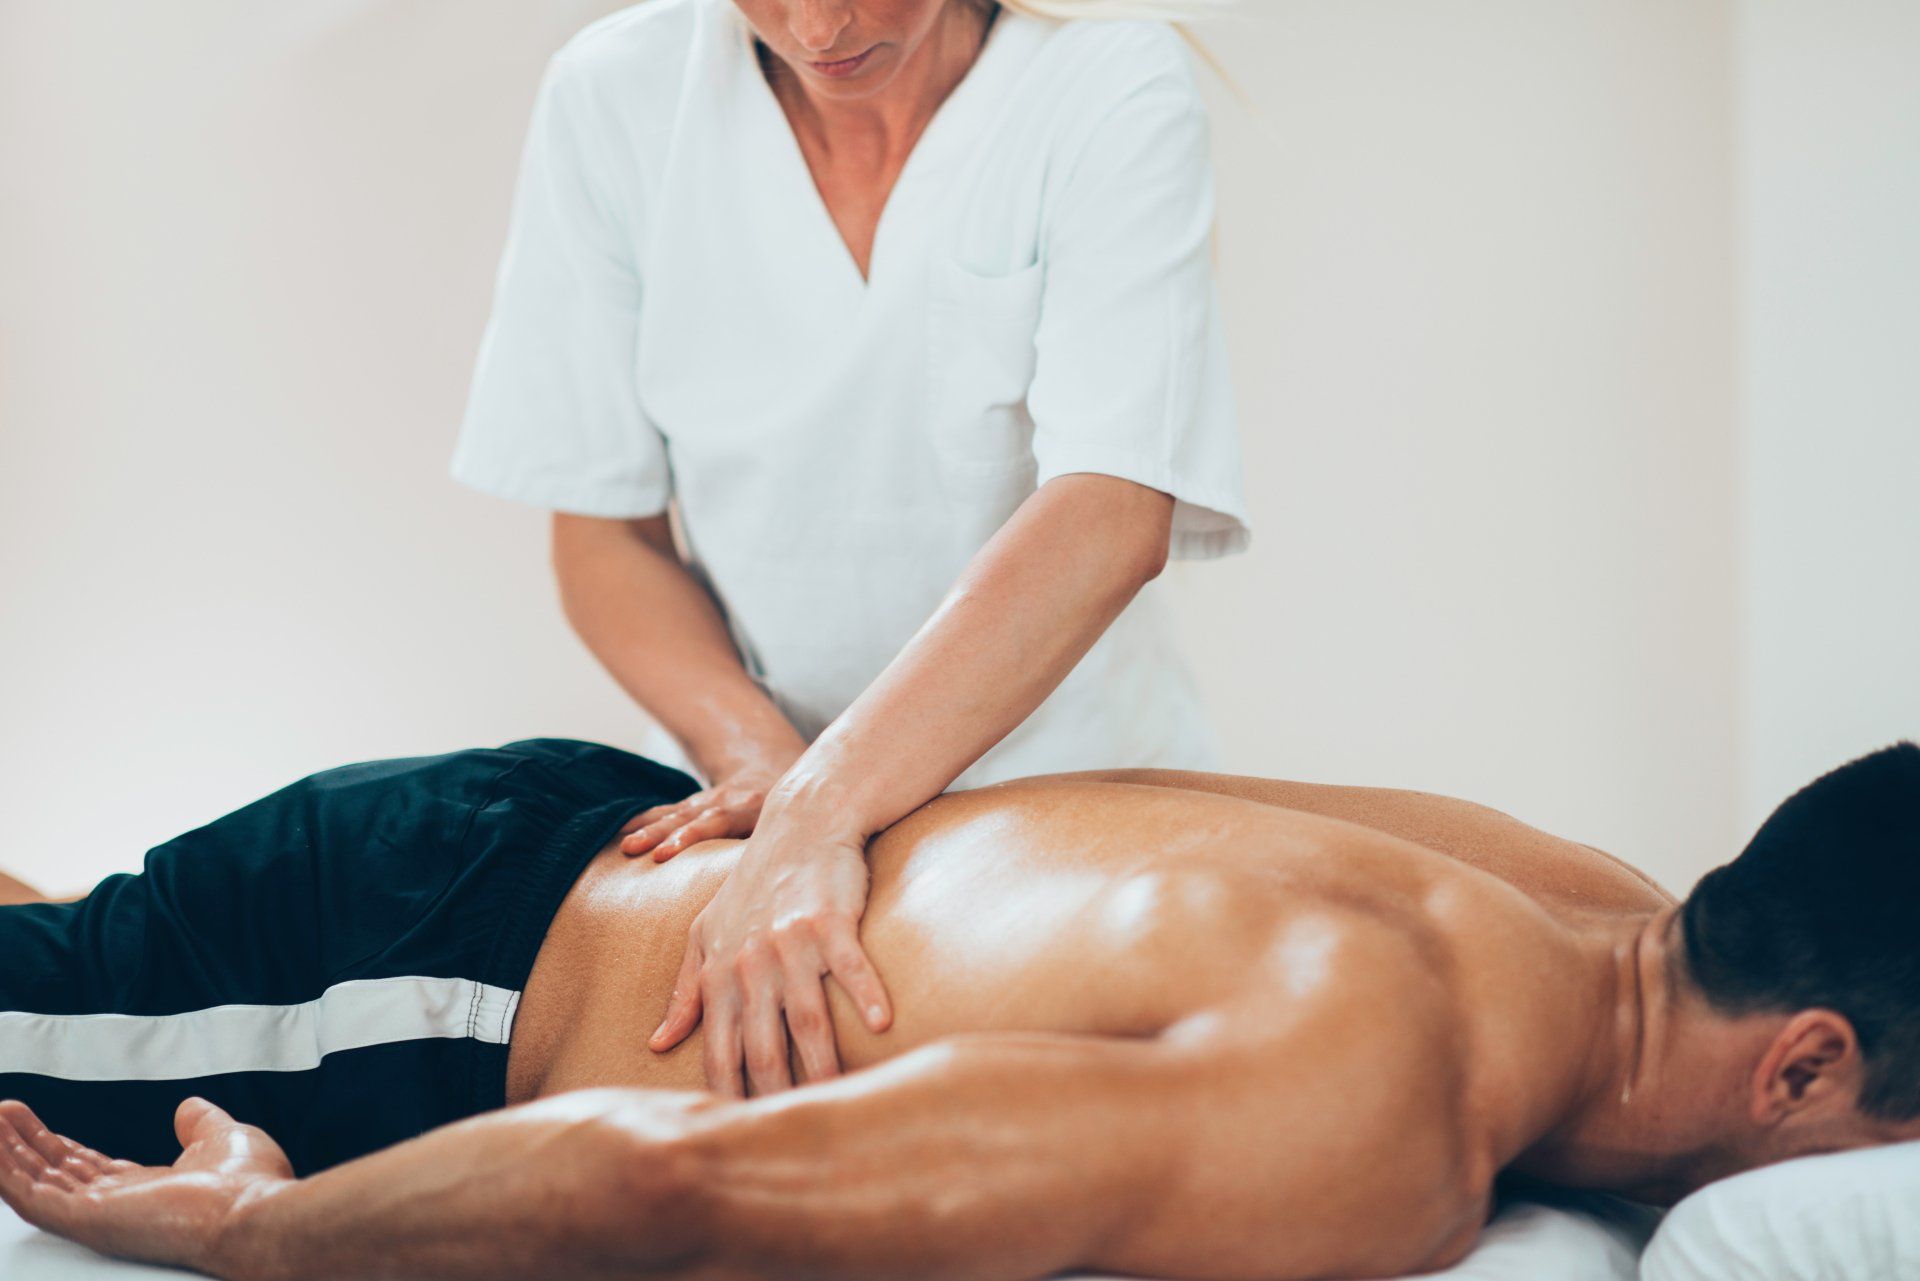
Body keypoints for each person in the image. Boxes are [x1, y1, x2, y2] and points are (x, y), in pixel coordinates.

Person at [2, 739, 1917, 1280]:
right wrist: (259, 1234)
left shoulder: (1554, 874)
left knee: (74, 942)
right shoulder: (1368, 1117)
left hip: (553, 841)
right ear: (1808, 1061)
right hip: (427, 982)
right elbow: (686, 1183)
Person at [449, 0, 1250, 1090]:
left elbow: (1108, 512)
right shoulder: (616, 96)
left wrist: (823, 807)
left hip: (1070, 799)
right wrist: (765, 774)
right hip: (745, 825)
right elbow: (604, 540)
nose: (820, 26)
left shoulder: (1103, 81)